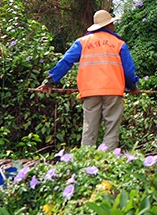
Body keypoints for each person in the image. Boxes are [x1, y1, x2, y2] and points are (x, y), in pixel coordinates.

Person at [38, 9, 139, 149]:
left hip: (90, 91)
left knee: (89, 128)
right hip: (113, 91)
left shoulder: (82, 42)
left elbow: (65, 62)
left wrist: (49, 82)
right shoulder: (119, 44)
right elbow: (128, 71)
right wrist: (132, 87)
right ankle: (107, 163)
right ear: (109, 25)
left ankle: (86, 162)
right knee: (111, 128)